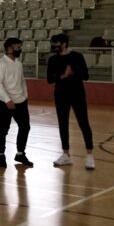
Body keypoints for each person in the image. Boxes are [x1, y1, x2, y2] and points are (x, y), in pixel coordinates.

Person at [47, 33, 95, 170]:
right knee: (63, 124)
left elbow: (85, 76)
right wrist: (64, 75)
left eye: (56, 43)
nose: (54, 46)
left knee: (83, 122)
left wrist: (73, 72)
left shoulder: (77, 57)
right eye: (52, 43)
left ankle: (90, 155)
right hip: (61, 95)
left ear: (64, 43)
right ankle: (66, 154)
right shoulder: (53, 60)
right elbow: (50, 79)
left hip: (77, 94)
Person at [0, 37, 33, 168]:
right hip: (5, 102)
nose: (20, 50)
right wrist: (7, 100)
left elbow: (22, 80)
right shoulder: (0, 64)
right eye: (18, 47)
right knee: (4, 128)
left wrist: (25, 95)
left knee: (25, 127)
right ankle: (1, 155)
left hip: (20, 101)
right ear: (9, 48)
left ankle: (20, 154)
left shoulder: (18, 63)